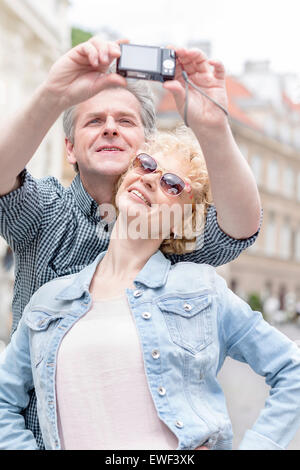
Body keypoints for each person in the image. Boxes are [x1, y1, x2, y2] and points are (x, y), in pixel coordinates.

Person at [0, 37, 261, 448]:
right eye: (93, 120)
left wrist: (213, 127)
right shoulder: (44, 211)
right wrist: (54, 94)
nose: (109, 127)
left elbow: (240, 227)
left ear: (146, 146)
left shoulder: (172, 222)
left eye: (125, 121)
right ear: (69, 148)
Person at [0, 129, 298, 451]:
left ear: (182, 219)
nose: (151, 179)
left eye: (172, 184)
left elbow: (291, 369)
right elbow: (4, 400)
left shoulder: (200, 290)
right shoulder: (49, 301)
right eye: (145, 164)